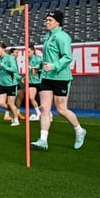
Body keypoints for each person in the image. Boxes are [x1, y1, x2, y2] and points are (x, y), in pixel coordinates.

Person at [31, 10, 86, 150]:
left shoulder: (63, 37)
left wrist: (54, 66)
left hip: (61, 77)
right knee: (44, 108)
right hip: (46, 77)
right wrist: (38, 66)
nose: (47, 22)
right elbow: (46, 57)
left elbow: (67, 57)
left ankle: (79, 130)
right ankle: (43, 140)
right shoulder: (47, 36)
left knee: (61, 109)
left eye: (50, 20)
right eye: (46, 20)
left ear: (58, 22)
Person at [0, 42, 21, 127]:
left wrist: (4, 66)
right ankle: (15, 112)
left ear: (4, 49)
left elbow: (14, 70)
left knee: (10, 103)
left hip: (11, 84)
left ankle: (16, 120)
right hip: (2, 84)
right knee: (1, 102)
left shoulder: (10, 58)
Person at [27, 46, 42, 121]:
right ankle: (38, 113)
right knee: (31, 98)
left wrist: (32, 67)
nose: (27, 53)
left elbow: (39, 66)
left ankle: (48, 114)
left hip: (39, 81)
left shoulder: (38, 58)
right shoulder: (27, 60)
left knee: (43, 101)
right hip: (31, 82)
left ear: (33, 51)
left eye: (28, 52)